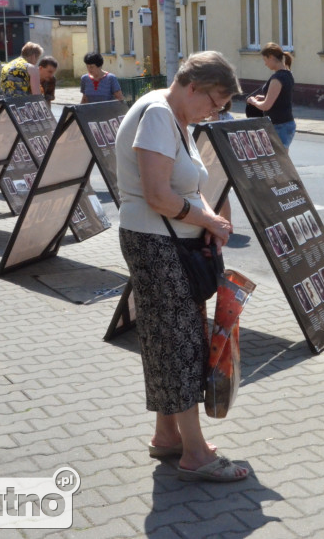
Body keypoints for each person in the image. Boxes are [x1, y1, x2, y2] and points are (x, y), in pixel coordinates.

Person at [115, 50, 248, 483]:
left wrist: (210, 218)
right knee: (181, 344)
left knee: (164, 339)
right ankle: (194, 452)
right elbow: (157, 194)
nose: (216, 111)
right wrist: (206, 219)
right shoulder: (157, 114)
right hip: (157, 245)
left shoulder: (173, 114)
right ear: (193, 87)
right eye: (215, 101)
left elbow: (186, 185)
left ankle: (167, 435)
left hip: (165, 243)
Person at [246, 42, 295, 148]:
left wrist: (253, 101)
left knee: (278, 161)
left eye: (265, 60)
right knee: (282, 160)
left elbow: (266, 106)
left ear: (271, 57)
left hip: (279, 125)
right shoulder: (288, 74)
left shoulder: (277, 79)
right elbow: (282, 97)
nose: (265, 64)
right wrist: (264, 97)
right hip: (286, 123)